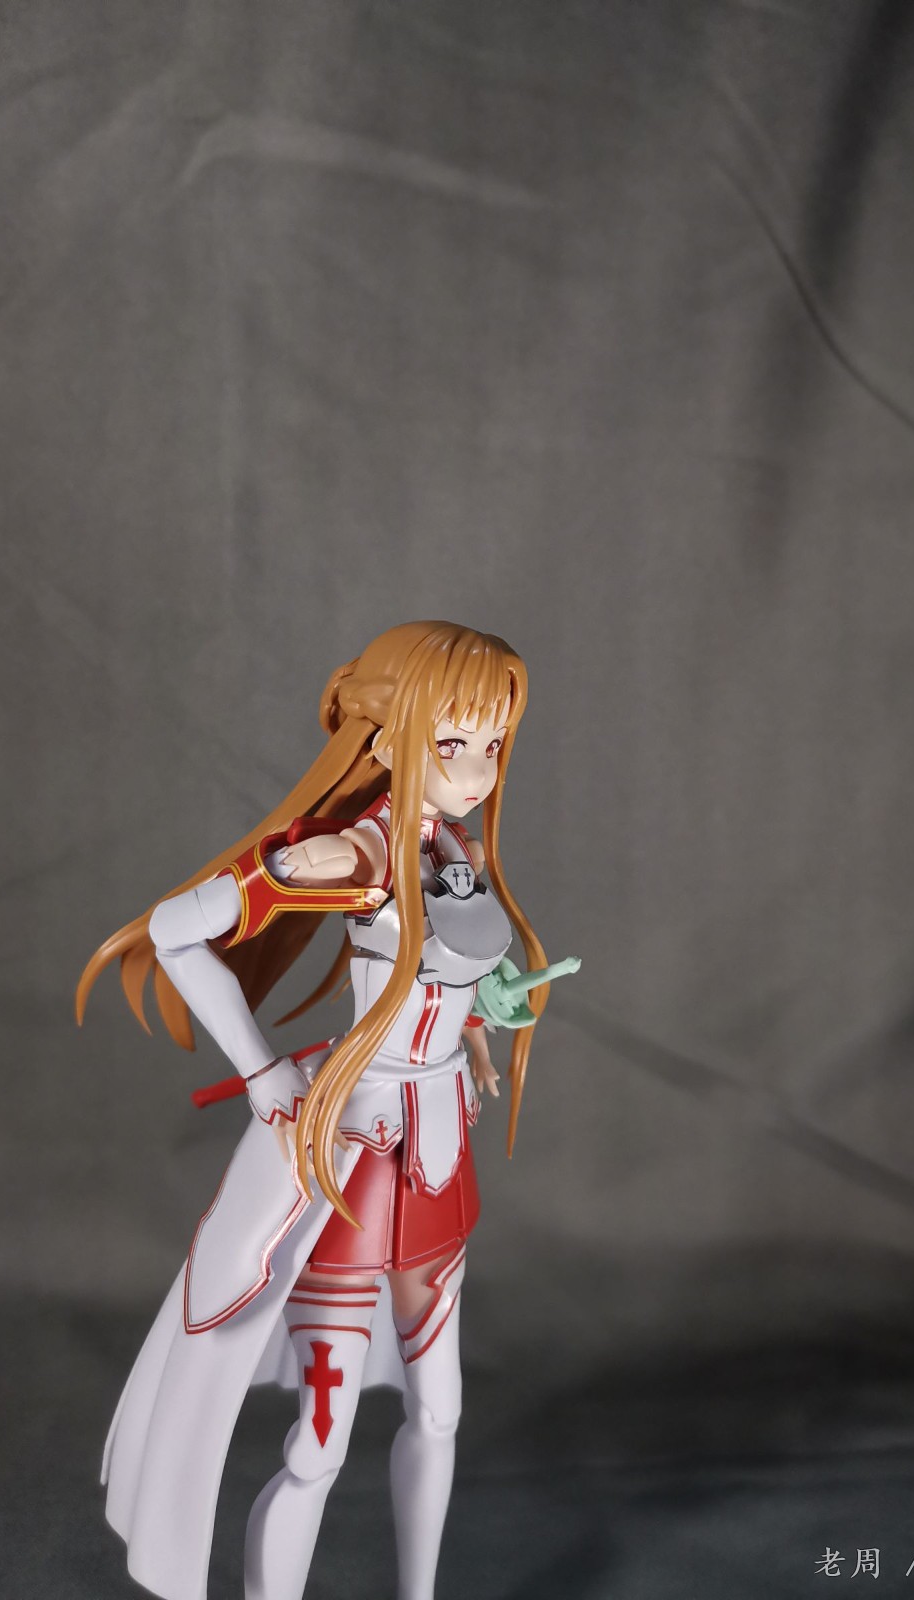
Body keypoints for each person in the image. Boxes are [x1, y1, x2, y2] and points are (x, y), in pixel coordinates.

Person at [76, 621, 558, 1600]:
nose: (475, 771)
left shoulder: (453, 844)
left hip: (436, 1152)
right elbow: (176, 929)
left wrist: (483, 1016)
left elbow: (450, 970)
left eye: (491, 744)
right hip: (358, 1157)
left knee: (440, 1412)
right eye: (450, 743)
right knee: (319, 1448)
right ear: (389, 739)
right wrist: (261, 1071)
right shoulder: (360, 854)